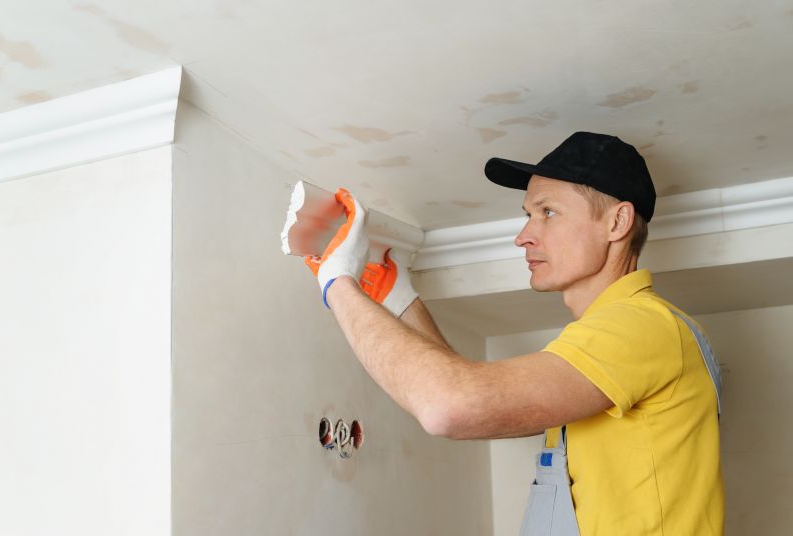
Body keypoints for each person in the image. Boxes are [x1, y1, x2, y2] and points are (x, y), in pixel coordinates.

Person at [303, 132, 724, 535]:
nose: (523, 237)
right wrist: (402, 301)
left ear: (617, 222)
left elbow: (449, 406)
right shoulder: (617, 345)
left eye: (548, 212)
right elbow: (482, 407)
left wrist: (339, 284)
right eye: (528, 215)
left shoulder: (641, 325)